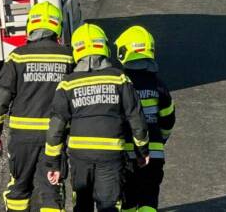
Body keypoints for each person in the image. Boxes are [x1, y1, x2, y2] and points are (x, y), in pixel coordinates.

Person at [45, 23, 150, 212]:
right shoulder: (119, 79)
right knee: (108, 206)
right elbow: (136, 118)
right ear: (104, 47)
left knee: (83, 205)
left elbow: (56, 127)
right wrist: (142, 151)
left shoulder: (67, 84)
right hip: (111, 155)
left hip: (80, 156)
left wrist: (53, 163)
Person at [0, 2, 74, 212]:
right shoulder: (68, 57)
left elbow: (0, 100)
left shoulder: (17, 57)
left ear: (30, 27)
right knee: (51, 189)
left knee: (19, 188)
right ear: (57, 27)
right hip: (55, 137)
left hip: (22, 137)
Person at [115, 26, 177, 212]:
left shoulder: (120, 83)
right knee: (149, 199)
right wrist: (160, 141)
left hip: (125, 154)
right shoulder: (159, 86)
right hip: (154, 153)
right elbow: (168, 120)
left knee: (128, 201)